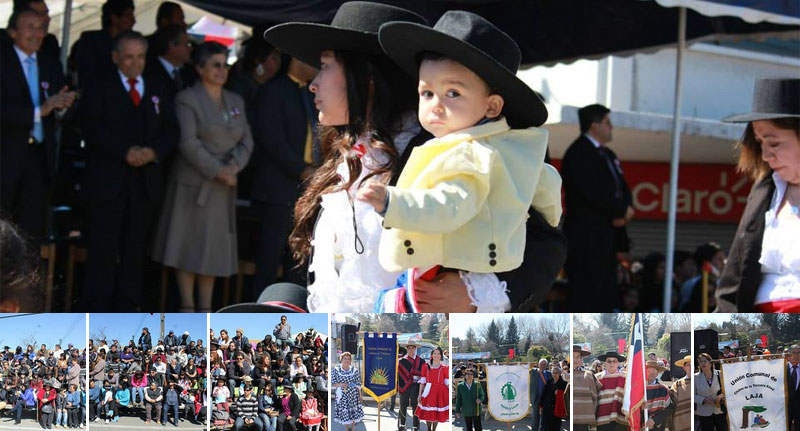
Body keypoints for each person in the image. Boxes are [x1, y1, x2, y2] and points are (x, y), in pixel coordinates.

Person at [264, 2, 566, 313]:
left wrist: (475, 293)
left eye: (326, 66)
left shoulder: (454, 146)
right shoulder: (348, 152)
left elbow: (545, 243)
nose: (314, 82)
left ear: (367, 77)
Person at [366, 9, 561, 313]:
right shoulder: (424, 142)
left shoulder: (500, 150)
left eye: (452, 92)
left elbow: (546, 239)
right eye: (427, 92)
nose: (436, 106)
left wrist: (478, 293)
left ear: (492, 105)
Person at [152, 41, 253, 312]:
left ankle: (206, 308)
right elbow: (187, 142)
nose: (222, 70)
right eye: (215, 65)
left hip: (223, 187)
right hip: (193, 185)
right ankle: (187, 306)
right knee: (187, 246)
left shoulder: (235, 101)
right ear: (199, 68)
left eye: (225, 65)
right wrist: (217, 170)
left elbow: (247, 140)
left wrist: (233, 168)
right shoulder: (187, 98)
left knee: (212, 250)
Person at [80, 30, 178, 311]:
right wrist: (125, 151)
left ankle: (129, 305)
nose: (135, 63)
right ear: (115, 57)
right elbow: (91, 126)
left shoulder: (158, 86)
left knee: (136, 247)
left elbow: (172, 128)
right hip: (108, 181)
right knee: (103, 245)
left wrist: (153, 151)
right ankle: (96, 306)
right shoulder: (100, 85)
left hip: (145, 183)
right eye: (128, 57)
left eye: (140, 57)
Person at [716, 77, 800, 312]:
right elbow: (732, 280)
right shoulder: (764, 191)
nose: (765, 155)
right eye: (760, 142)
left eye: (774, 143)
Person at [1, 8, 77, 240]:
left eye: (41, 28)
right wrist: (38, 112)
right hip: (6, 158)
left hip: (38, 158)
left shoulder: (50, 65)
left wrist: (62, 107)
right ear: (13, 32)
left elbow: (57, 107)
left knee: (31, 228)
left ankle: (25, 277)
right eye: (30, 27)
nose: (37, 33)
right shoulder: (2, 62)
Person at [250, 55, 318, 293]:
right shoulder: (273, 91)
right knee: (269, 260)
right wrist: (302, 170)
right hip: (278, 191)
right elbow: (271, 139)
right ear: (297, 60)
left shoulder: (312, 94)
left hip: (307, 192)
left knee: (299, 262)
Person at [562, 103, 633, 311]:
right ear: (593, 125)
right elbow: (590, 191)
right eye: (607, 122)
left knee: (605, 295)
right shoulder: (578, 153)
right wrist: (617, 211)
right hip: (586, 238)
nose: (611, 127)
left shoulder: (609, 154)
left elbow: (622, 187)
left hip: (607, 238)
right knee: (585, 294)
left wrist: (626, 210)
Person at [75, 0, 135, 89]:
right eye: (128, 15)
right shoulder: (92, 41)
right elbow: (88, 76)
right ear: (114, 18)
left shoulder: (131, 42)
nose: (133, 21)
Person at [415, 347, 449, 429]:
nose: (436, 355)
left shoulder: (444, 368)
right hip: (428, 390)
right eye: (435, 353)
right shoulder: (425, 366)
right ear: (432, 355)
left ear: (441, 356)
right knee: (428, 410)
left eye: (438, 354)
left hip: (440, 391)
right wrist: (420, 394)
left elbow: (446, 382)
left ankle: (434, 429)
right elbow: (422, 382)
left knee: (437, 411)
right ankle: (428, 429)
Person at [594, 351, 627, 431]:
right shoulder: (596, 378)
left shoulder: (626, 378)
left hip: (620, 417)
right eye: (609, 361)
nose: (611, 363)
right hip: (602, 418)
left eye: (614, 361)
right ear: (604, 363)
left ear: (618, 363)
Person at [694, 353, 727, 431]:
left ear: (710, 362)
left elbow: (726, 389)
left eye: (705, 361)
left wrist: (721, 397)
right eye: (700, 361)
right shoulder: (695, 377)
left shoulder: (720, 374)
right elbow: (692, 395)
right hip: (704, 412)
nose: (702, 363)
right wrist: (704, 400)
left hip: (719, 411)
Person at [331, 351, 363, 431]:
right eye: (345, 358)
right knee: (345, 413)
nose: (347, 360)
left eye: (348, 359)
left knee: (353, 412)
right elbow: (332, 383)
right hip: (342, 395)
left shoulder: (354, 370)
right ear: (341, 359)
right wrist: (341, 384)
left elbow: (358, 384)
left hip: (353, 395)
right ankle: (346, 428)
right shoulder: (336, 370)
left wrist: (360, 395)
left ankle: (352, 428)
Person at [571, 345, 600, 431]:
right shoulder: (563, 374)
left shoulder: (589, 375)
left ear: (581, 359)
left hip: (584, 420)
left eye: (578, 357)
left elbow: (595, 396)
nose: (575, 359)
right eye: (573, 357)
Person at [396, 342, 423, 431]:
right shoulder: (401, 361)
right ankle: (402, 424)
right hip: (404, 387)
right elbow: (398, 375)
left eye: (413, 347)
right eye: (409, 348)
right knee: (403, 405)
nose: (411, 349)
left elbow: (424, 376)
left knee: (415, 406)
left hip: (416, 387)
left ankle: (416, 426)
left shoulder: (421, 361)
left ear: (415, 348)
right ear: (407, 349)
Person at [643, 360, 674, 431]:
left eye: (654, 372)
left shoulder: (663, 389)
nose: (651, 374)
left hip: (657, 426)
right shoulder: (638, 389)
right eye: (648, 371)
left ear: (657, 374)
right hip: (640, 424)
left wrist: (654, 420)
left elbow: (669, 408)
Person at [454, 366, 485, 431]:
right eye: (468, 374)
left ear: (473, 376)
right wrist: (457, 411)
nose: (469, 375)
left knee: (478, 427)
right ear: (464, 376)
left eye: (471, 374)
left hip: (476, 410)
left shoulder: (477, 384)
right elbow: (458, 399)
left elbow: (482, 395)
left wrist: (480, 400)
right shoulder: (460, 386)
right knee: (468, 427)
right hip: (466, 410)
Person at [540, 367, 567, 431]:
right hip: (547, 408)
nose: (554, 374)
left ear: (560, 374)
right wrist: (541, 406)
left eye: (556, 373)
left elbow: (567, 395)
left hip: (557, 409)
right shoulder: (549, 382)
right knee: (545, 427)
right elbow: (544, 394)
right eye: (553, 373)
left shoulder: (564, 383)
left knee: (555, 427)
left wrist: (560, 393)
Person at [530, 358, 553, 431]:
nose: (543, 365)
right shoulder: (534, 372)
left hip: (546, 398)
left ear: (547, 365)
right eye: (541, 364)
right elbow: (527, 368)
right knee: (535, 416)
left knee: (545, 416)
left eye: (544, 364)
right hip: (536, 397)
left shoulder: (550, 373)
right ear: (538, 364)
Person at [671, 355, 692, 431]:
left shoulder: (700, 380)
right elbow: (671, 404)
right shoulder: (677, 384)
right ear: (684, 367)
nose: (690, 367)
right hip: (681, 422)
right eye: (688, 365)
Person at [787, 345, 800, 431]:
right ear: (788, 356)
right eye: (793, 353)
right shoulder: (781, 370)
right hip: (786, 409)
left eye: (798, 353)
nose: (796, 355)